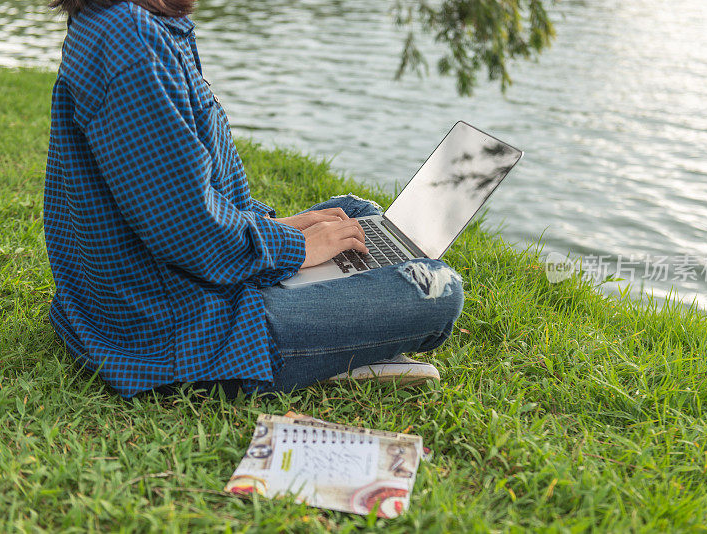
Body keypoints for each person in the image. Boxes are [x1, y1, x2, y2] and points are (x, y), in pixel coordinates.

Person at [44, 0, 465, 399]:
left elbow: (173, 195)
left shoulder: (134, 24)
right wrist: (296, 248)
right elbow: (190, 233)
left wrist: (275, 231)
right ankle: (325, 356)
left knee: (356, 216)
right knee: (439, 291)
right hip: (179, 332)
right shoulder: (133, 41)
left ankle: (334, 328)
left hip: (156, 289)